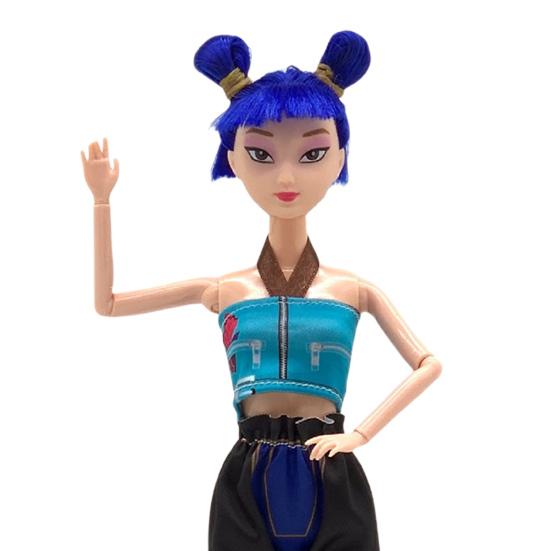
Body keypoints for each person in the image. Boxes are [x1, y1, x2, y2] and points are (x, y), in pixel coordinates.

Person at [81, 30, 442, 551]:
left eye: (313, 153)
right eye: (261, 153)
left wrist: (360, 434)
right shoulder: (224, 289)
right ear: (233, 159)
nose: (287, 176)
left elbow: (428, 363)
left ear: (340, 158)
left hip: (331, 467)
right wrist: (101, 202)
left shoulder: (354, 290)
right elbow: (109, 303)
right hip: (247, 473)